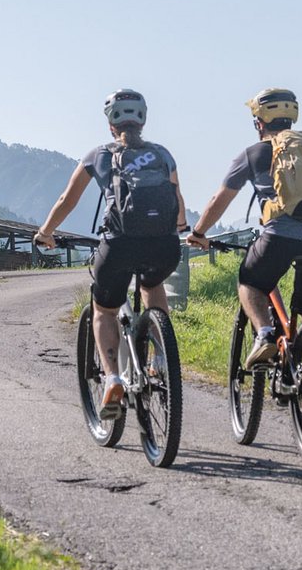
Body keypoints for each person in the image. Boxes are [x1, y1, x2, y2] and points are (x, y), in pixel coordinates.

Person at [35, 89, 189, 419]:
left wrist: (45, 233)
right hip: (164, 246)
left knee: (103, 309)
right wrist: (179, 227)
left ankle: (112, 379)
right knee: (151, 284)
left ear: (110, 124)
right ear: (143, 120)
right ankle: (160, 358)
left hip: (119, 244)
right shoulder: (163, 154)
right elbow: (178, 203)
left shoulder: (99, 155)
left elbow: (67, 200)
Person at [186, 87, 302, 367]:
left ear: (259, 122)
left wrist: (199, 233)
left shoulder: (254, 153)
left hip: (280, 235)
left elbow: (219, 199)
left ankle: (264, 335)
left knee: (250, 281)